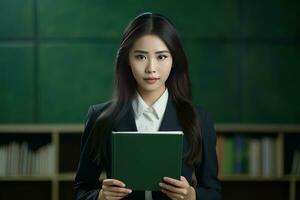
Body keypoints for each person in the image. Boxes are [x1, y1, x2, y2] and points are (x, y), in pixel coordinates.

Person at [74, 12, 221, 200]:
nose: (151, 68)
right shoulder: (99, 117)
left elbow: (214, 192)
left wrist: (193, 196)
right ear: (127, 59)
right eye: (141, 57)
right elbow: (81, 190)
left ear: (174, 59)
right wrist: (100, 196)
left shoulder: (200, 119)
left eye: (161, 57)